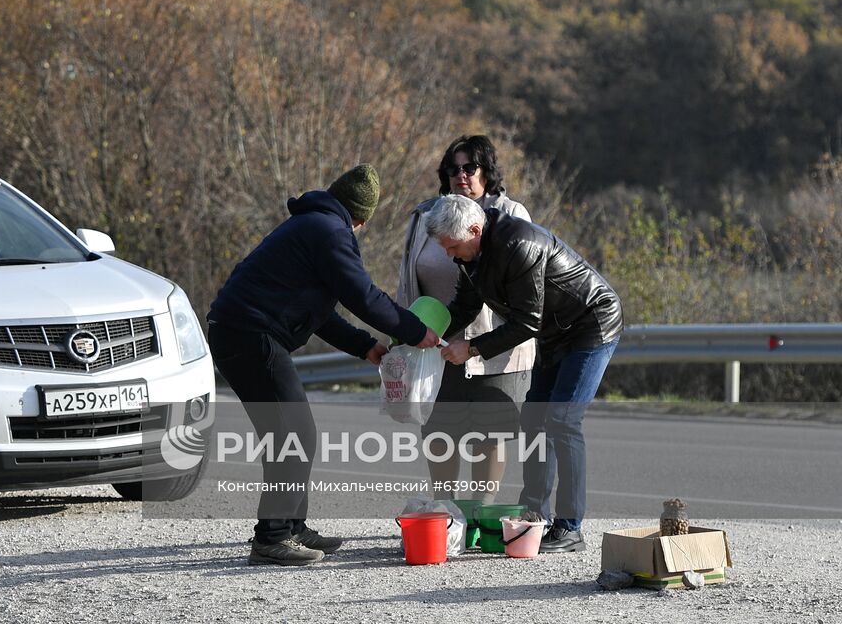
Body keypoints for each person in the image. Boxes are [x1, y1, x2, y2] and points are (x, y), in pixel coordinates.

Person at [207, 164, 438, 567]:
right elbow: (363, 296)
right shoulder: (330, 232)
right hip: (249, 336)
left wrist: (365, 345)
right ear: (360, 218)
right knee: (294, 434)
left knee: (292, 433)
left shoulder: (313, 226)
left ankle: (293, 526)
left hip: (242, 333)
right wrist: (416, 331)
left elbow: (322, 313)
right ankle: (272, 537)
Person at [426, 194, 622, 554]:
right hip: (555, 331)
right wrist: (427, 333)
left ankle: (570, 526)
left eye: (453, 247)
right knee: (534, 420)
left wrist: (470, 349)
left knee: (562, 420)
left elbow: (527, 322)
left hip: (590, 326)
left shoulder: (519, 244)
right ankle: (535, 515)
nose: (450, 255)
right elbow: (466, 306)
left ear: (473, 229)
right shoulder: (472, 250)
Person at [396, 136, 535, 505]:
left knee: (490, 433)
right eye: (453, 169)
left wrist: (474, 345)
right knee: (439, 430)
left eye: (469, 167)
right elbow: (407, 280)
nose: (461, 175)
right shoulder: (424, 215)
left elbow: (520, 294)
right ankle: (445, 512)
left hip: (494, 346)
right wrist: (404, 331)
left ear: (486, 171)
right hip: (435, 344)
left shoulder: (509, 214)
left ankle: (481, 514)